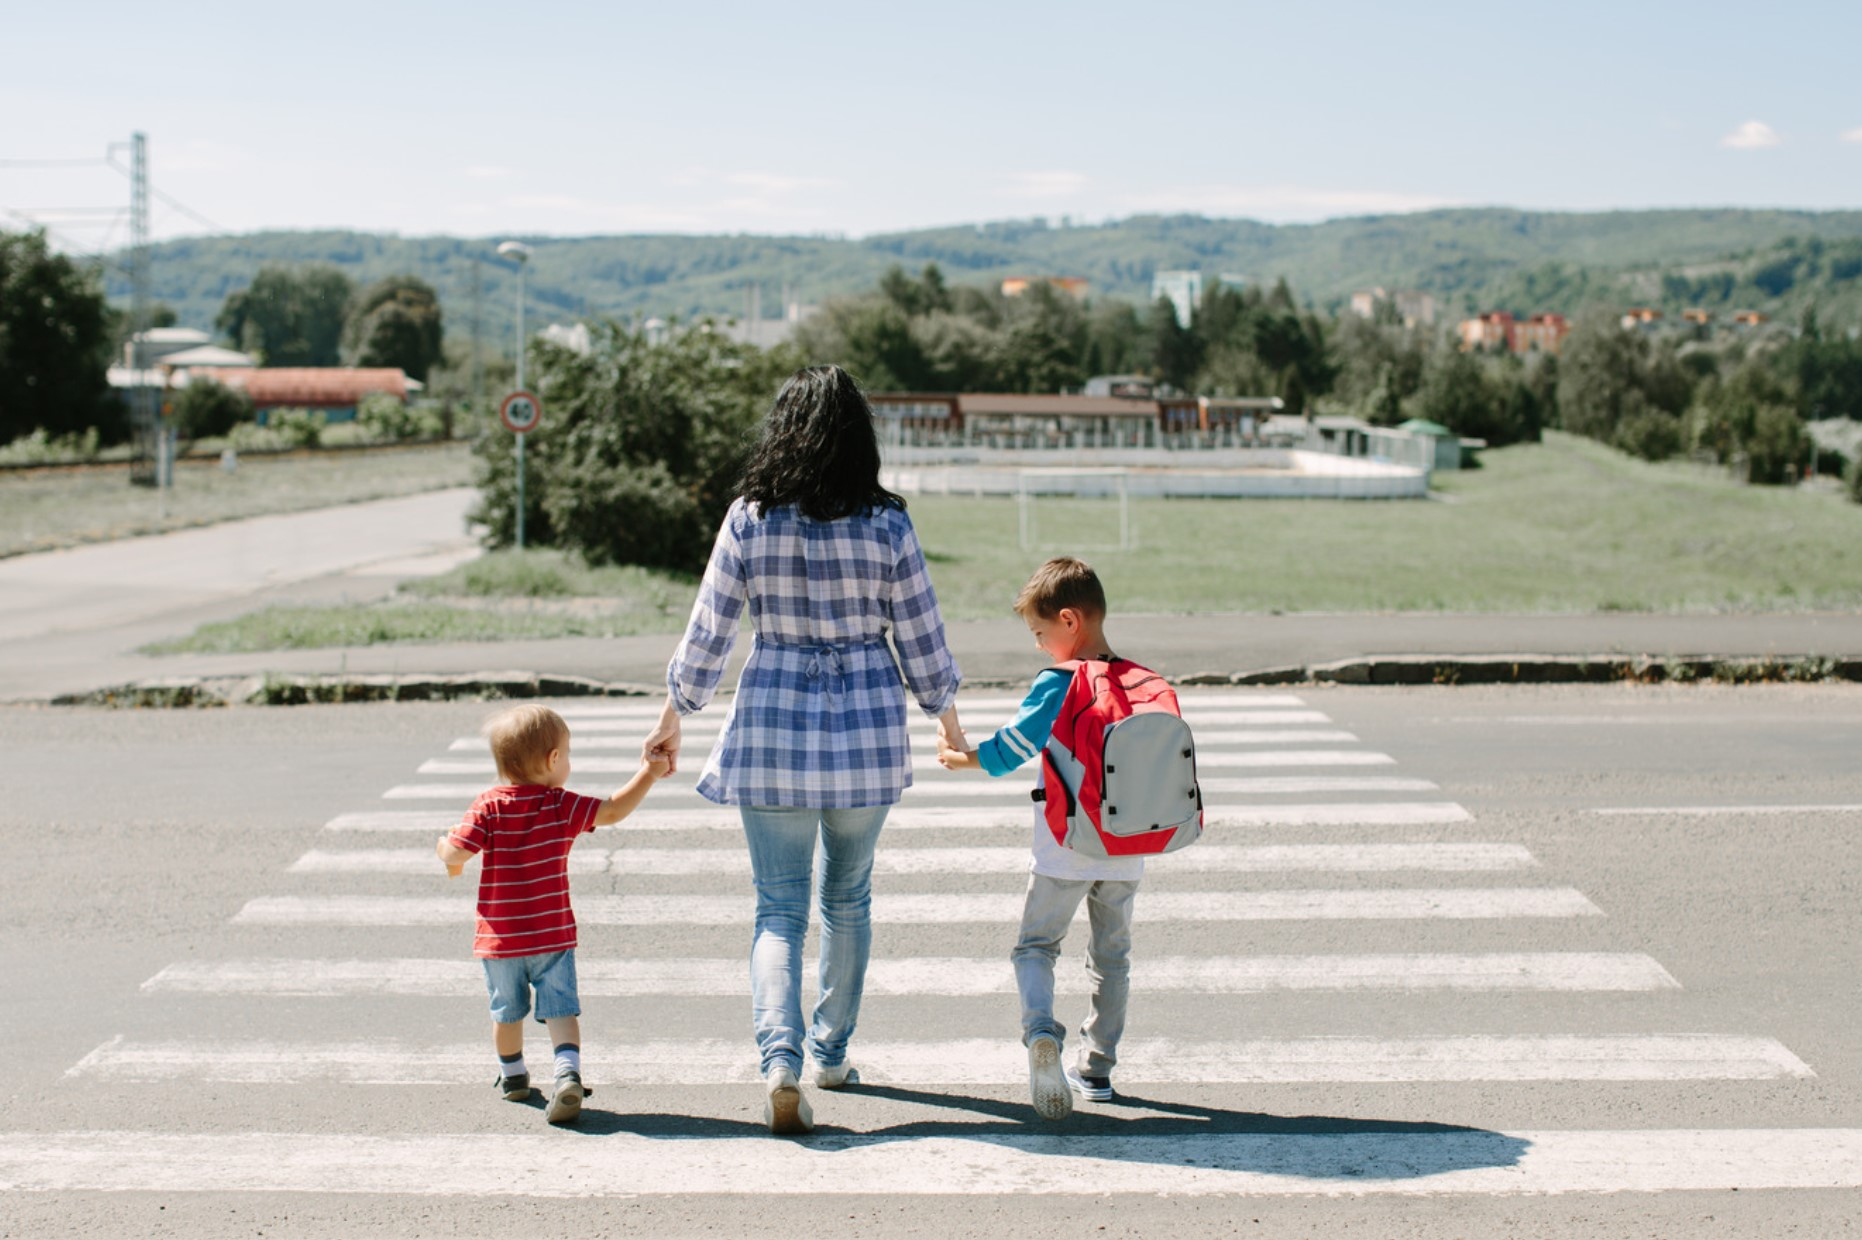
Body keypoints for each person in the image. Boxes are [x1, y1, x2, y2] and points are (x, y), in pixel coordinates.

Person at [642, 364, 963, 1135]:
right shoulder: (888, 523)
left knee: (777, 910)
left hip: (774, 723)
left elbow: (710, 628)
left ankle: (780, 1061)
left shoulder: (751, 517)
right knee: (847, 898)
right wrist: (947, 719)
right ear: (859, 436)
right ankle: (831, 1051)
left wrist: (675, 711)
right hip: (865, 731)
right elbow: (920, 630)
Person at [937, 556, 1140, 1121]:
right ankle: (1098, 1067)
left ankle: (1040, 1036)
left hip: (1067, 844)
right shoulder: (1137, 679)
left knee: (1035, 947)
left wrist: (965, 758)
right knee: (1113, 957)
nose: (1038, 646)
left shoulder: (1062, 679)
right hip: (1128, 845)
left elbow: (1015, 745)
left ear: (1070, 621)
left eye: (1040, 633)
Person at [436, 703, 668, 1125]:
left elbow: (456, 852)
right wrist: (648, 773)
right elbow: (613, 810)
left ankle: (514, 1077)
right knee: (561, 1011)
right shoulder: (560, 805)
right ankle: (567, 1074)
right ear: (553, 759)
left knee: (506, 1013)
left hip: (500, 941)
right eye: (568, 752)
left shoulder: (487, 806)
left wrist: (445, 848)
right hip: (552, 936)